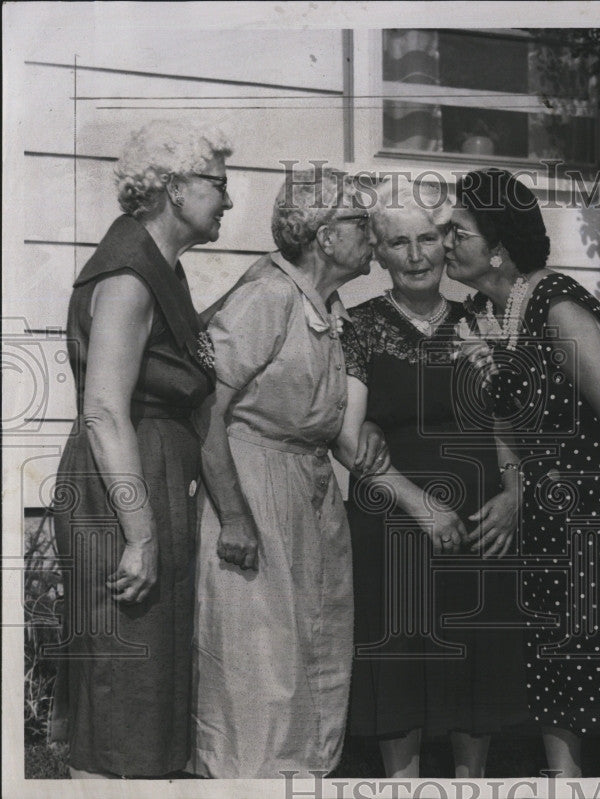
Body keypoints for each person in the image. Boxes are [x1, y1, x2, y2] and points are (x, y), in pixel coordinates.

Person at [442, 168, 600, 778]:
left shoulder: (557, 305)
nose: (447, 242)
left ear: (497, 248)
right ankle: (562, 781)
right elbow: (505, 426)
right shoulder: (483, 314)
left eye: (458, 232)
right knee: (552, 655)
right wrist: (513, 488)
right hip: (546, 513)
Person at [49, 120, 231, 778]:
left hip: (145, 480)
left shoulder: (161, 269)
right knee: (121, 691)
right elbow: (102, 409)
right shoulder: (129, 274)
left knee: (143, 694)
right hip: (121, 489)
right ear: (174, 189)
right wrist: (140, 531)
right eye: (217, 183)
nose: (228, 200)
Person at [190, 167, 383, 778]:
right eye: (361, 223)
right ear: (325, 237)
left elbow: (324, 411)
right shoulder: (268, 296)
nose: (372, 235)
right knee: (260, 671)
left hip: (309, 491)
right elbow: (207, 409)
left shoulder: (325, 305)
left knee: (313, 661)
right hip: (253, 486)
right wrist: (235, 517)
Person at [341, 176, 527, 778]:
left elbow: (510, 423)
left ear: (447, 244)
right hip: (394, 516)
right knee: (397, 656)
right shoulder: (361, 324)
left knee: (475, 656)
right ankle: (403, 783)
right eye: (398, 243)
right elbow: (347, 434)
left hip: (479, 514)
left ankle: (470, 784)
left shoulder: (484, 318)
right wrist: (417, 502)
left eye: (427, 239)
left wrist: (513, 493)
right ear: (379, 250)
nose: (416, 255)